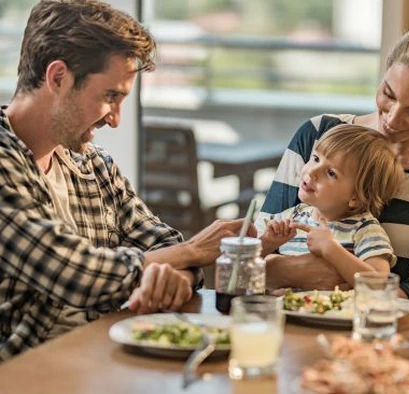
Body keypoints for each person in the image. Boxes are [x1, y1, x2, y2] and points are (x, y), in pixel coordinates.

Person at [0, 0, 251, 361]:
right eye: (110, 96)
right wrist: (193, 251)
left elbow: (162, 241)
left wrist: (173, 276)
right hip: (24, 370)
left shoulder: (94, 163)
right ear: (58, 77)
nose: (115, 120)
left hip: (102, 356)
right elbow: (71, 271)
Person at [260, 15, 409, 308]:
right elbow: (249, 258)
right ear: (386, 68)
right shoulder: (319, 135)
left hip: (381, 333)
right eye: (388, 94)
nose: (392, 119)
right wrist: (301, 272)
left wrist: (294, 276)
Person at [259, 124, 403, 285]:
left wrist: (331, 249)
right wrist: (267, 244)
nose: (312, 172)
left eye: (331, 173)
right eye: (315, 159)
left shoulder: (364, 230)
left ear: (355, 197)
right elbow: (245, 269)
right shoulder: (290, 217)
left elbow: (379, 285)